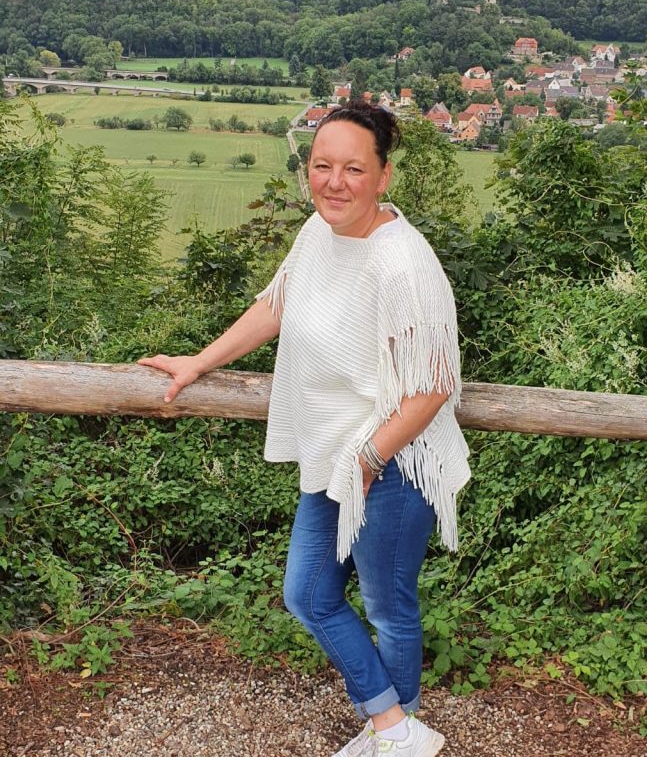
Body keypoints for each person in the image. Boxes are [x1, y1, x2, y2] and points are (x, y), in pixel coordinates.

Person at [138, 101, 470, 757]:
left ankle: (394, 734)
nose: (334, 182)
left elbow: (433, 386)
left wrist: (371, 457)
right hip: (338, 456)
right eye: (322, 166)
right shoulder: (318, 232)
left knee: (387, 608)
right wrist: (199, 361)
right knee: (309, 594)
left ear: (384, 176)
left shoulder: (404, 263)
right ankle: (396, 729)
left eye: (354, 169)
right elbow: (277, 303)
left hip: (393, 462)